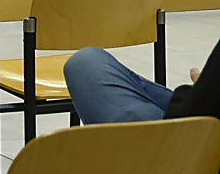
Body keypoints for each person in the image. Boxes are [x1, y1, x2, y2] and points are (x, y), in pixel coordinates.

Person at [64, 41, 220, 125]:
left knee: (84, 62)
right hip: (200, 114)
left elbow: (193, 119)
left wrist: (199, 90)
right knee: (87, 61)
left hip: (186, 150)